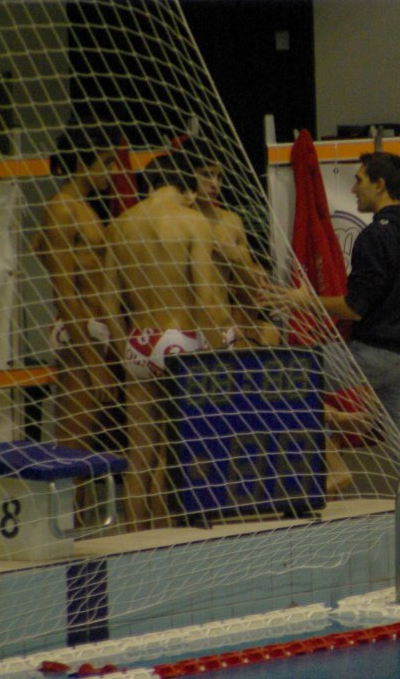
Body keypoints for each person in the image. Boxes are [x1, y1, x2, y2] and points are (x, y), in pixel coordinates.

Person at [272, 151, 400, 471]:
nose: (353, 189)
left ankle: (315, 474)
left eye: (359, 180)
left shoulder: (376, 236)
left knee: (285, 380)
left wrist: (306, 300)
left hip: (371, 356)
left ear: (380, 184)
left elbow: (354, 308)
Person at [105, 151, 230, 531]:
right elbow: (205, 295)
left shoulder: (120, 225)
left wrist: (124, 354)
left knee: (139, 452)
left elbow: (109, 304)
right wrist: (221, 347)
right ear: (186, 188)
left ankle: (135, 535)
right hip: (180, 341)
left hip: (138, 342)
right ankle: (165, 537)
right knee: (170, 450)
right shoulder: (193, 221)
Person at [33, 120, 122, 521]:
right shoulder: (62, 209)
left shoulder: (82, 208)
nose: (112, 172)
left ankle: (79, 523)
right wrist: (92, 361)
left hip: (91, 330)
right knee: (73, 441)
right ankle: (66, 527)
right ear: (84, 163)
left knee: (85, 441)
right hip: (78, 331)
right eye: (106, 162)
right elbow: (64, 292)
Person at [179, 138, 279, 348]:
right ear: (188, 174)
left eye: (219, 176)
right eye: (206, 174)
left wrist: (235, 257)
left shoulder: (231, 222)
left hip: (223, 329)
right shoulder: (175, 221)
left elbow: (251, 293)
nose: (215, 183)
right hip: (183, 330)